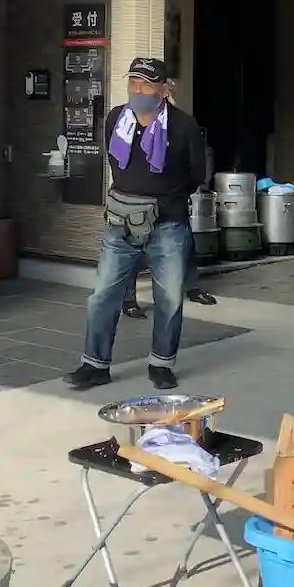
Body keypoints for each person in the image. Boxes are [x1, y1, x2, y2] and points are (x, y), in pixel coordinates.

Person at [66, 57, 205, 392]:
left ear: (163, 89)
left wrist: (164, 197)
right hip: (121, 221)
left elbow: (196, 174)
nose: (138, 90)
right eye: (133, 82)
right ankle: (95, 365)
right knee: (103, 294)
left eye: (146, 84)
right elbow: (115, 162)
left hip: (168, 224)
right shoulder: (116, 118)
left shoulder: (184, 126)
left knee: (169, 298)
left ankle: (161, 364)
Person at [123, 80, 215, 317]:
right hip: (137, 200)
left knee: (184, 244)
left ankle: (192, 287)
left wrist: (184, 189)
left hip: (172, 199)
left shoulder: (180, 124)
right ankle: (128, 299)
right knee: (132, 247)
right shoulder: (130, 119)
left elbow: (195, 166)